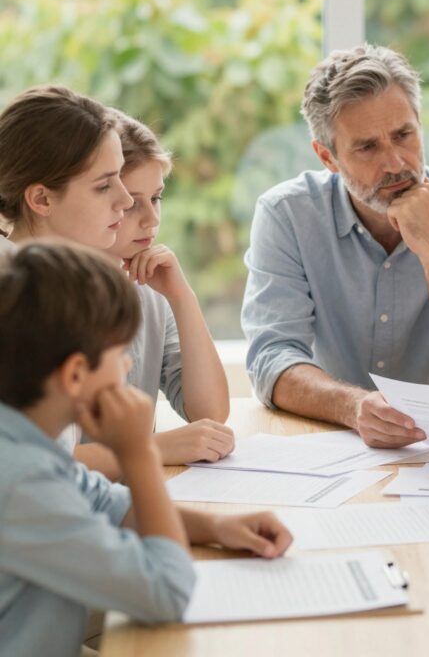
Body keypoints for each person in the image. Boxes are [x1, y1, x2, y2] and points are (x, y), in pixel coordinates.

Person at [0, 241, 292, 657]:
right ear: (76, 374)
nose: (128, 367)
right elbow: (169, 592)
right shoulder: (21, 483)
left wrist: (216, 527)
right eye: (120, 354)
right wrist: (139, 453)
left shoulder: (26, 441)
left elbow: (110, 504)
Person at [242, 44, 429, 447]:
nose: (395, 163)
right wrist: (352, 407)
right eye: (367, 147)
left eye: (403, 135)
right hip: (326, 439)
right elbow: (272, 359)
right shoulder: (286, 215)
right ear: (327, 157)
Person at [0, 87, 233, 477]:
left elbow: (210, 413)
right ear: (41, 200)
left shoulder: (125, 282)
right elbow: (38, 463)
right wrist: (153, 449)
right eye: (106, 185)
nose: (127, 204)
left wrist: (182, 297)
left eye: (155, 197)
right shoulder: (22, 296)